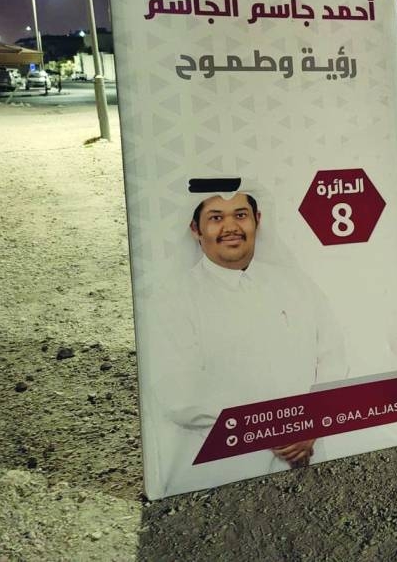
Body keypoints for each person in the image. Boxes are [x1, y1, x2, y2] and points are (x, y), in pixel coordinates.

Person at [144, 189, 348, 496]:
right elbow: (178, 390)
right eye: (215, 218)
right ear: (195, 229)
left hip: (311, 459)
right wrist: (269, 428)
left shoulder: (295, 282)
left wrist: (312, 423)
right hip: (223, 474)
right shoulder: (173, 299)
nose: (230, 227)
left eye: (240, 215)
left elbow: (333, 354)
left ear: (257, 221)